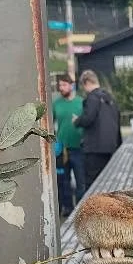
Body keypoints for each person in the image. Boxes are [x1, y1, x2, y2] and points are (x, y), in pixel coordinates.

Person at [73, 70, 121, 190]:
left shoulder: (93, 97)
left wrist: (77, 120)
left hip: (94, 149)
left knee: (92, 183)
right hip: (110, 147)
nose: (84, 90)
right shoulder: (110, 97)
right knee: (108, 182)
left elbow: (88, 118)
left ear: (87, 82)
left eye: (84, 86)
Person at [51, 75, 86, 214]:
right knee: (63, 181)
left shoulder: (81, 102)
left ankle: (81, 210)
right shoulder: (56, 104)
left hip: (79, 148)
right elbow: (48, 123)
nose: (61, 88)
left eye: (64, 85)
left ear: (72, 85)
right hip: (62, 150)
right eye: (60, 85)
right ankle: (68, 209)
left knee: (80, 182)